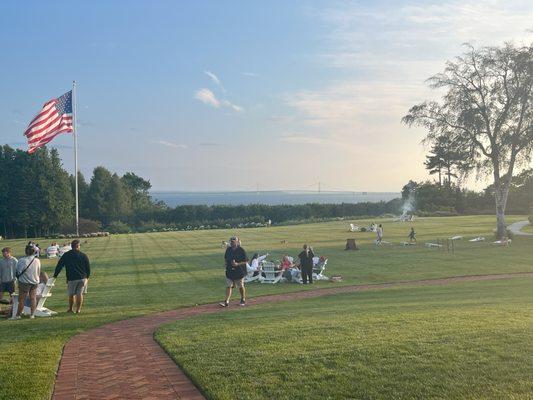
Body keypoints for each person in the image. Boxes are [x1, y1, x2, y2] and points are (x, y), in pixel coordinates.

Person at [53, 239, 91, 314]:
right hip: (82, 278)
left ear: (72, 246)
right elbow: (88, 268)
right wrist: (87, 277)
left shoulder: (66, 255)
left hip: (72, 278)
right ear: (78, 246)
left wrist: (55, 275)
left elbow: (59, 266)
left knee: (71, 295)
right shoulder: (83, 255)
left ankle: (70, 309)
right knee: (79, 294)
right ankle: (78, 310)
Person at [12, 245, 41, 319]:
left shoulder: (22, 260)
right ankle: (32, 314)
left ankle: (18, 315)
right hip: (35, 281)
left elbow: (18, 271)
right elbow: (38, 271)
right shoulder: (37, 260)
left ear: (26, 251)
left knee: (21, 299)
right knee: (33, 298)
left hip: (24, 282)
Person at [220, 236, 248, 307]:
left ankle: (243, 299)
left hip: (239, 271)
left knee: (240, 286)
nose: (232, 242)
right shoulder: (228, 249)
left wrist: (237, 264)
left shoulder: (241, 250)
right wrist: (225, 264)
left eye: (234, 241)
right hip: (229, 270)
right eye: (231, 241)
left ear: (237, 242)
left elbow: (246, 261)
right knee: (228, 286)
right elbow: (226, 258)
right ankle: (226, 301)